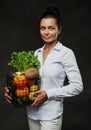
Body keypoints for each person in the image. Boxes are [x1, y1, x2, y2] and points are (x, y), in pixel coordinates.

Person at [4, 7, 83, 130]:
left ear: (59, 30)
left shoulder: (66, 53)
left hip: (51, 115)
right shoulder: (36, 53)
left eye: (51, 28)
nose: (46, 32)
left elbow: (77, 86)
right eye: (43, 28)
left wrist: (48, 94)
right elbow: (28, 82)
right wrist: (13, 90)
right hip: (32, 112)